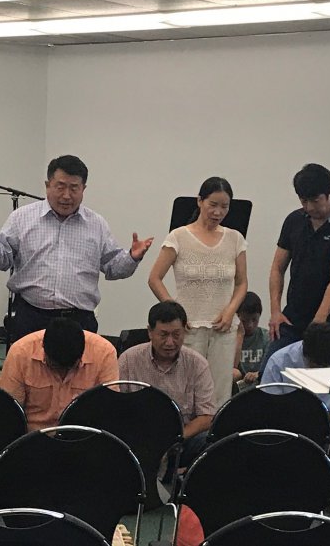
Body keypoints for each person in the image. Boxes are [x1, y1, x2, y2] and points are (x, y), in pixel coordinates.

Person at [0, 155, 153, 339]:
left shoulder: (97, 224)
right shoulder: (21, 218)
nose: (66, 195)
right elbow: (0, 261)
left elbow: (113, 267)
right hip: (31, 316)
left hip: (79, 320)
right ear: (48, 185)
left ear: (83, 189)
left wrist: (132, 257)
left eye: (74, 188)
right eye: (60, 187)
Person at [148, 177, 247, 407]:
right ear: (200, 201)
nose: (218, 212)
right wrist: (175, 313)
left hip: (223, 328)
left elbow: (242, 283)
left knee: (219, 393)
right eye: (213, 204)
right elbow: (154, 278)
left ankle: (215, 430)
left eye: (224, 207)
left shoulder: (235, 239)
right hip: (189, 328)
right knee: (186, 391)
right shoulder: (178, 237)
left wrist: (231, 310)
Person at [267, 163, 330, 357]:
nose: (310, 207)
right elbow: (277, 267)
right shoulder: (294, 220)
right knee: (270, 368)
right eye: (304, 201)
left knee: (321, 373)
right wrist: (275, 311)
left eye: (315, 200)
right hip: (292, 319)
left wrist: (318, 322)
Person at [117, 300, 215, 468]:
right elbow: (116, 408)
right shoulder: (128, 359)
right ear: (150, 332)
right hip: (138, 439)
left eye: (176, 335)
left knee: (212, 442)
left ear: (184, 331)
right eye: (163, 335)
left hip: (182, 439)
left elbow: (206, 416)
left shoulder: (197, 364)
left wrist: (175, 439)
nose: (170, 342)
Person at [261, 322, 330, 469]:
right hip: (292, 426)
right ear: (303, 348)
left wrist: (327, 418)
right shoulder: (279, 360)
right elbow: (266, 408)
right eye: (315, 365)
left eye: (325, 366)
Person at [0, 316, 119, 431]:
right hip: (32, 436)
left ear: (82, 352)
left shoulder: (104, 353)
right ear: (43, 347)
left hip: (84, 435)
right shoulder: (20, 353)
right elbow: (9, 412)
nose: (63, 372)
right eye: (55, 366)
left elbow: (108, 411)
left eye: (70, 367)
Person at [232, 292, 268, 392]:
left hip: (259, 385)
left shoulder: (266, 337)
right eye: (244, 321)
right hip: (237, 387)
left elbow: (270, 366)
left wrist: (258, 374)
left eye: (254, 320)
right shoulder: (231, 338)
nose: (250, 325)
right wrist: (240, 335)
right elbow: (232, 368)